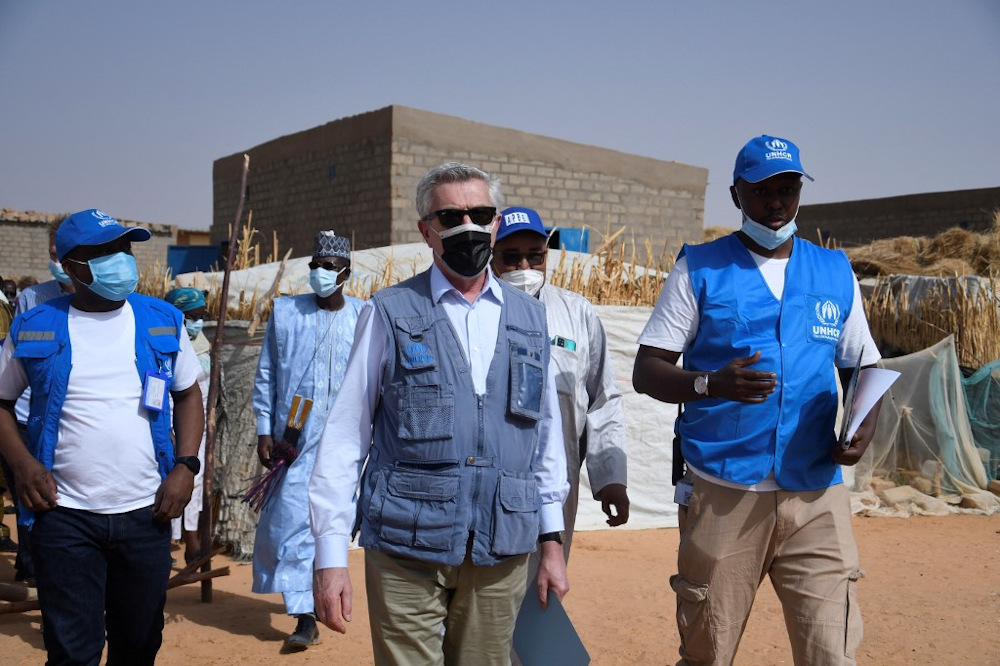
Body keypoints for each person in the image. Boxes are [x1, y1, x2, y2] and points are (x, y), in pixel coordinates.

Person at [632, 135, 883, 666]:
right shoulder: (700, 268)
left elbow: (864, 365)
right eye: (761, 190)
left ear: (800, 191)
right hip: (726, 493)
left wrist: (864, 427)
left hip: (816, 497)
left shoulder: (834, 271)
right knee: (709, 651)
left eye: (787, 188)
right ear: (736, 194)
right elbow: (647, 370)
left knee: (832, 653)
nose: (775, 202)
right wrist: (709, 384)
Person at [309, 162, 570, 665]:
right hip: (407, 547)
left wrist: (551, 543)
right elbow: (346, 436)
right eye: (450, 216)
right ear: (426, 230)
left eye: (480, 213)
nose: (467, 226)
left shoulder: (531, 317)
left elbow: (544, 441)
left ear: (496, 223)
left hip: (502, 547)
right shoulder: (388, 311)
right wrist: (329, 556)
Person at [0, 208, 205, 665]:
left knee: (138, 646)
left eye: (125, 248)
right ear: (72, 267)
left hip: (146, 513)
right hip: (64, 516)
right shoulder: (35, 324)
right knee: (73, 652)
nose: (122, 260)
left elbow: (189, 395)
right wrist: (22, 463)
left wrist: (186, 466)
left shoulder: (162, 319)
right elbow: (1, 402)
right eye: (106, 251)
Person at [490, 206, 629, 592]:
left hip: (557, 485)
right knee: (487, 598)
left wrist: (611, 477)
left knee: (543, 592)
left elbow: (602, 399)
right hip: (489, 480)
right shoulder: (476, 313)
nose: (524, 265)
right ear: (490, 256)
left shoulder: (576, 314)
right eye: (510, 256)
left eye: (535, 255)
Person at [251, 230, 364, 651]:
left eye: (329, 268)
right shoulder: (285, 313)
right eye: (315, 266)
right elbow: (266, 375)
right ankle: (305, 616)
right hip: (294, 440)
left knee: (330, 525)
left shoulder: (364, 316)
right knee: (291, 524)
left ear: (345, 273)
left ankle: (324, 601)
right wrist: (265, 428)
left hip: (346, 441)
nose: (319, 273)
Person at [0, 221, 76, 586]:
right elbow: (18, 367)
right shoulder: (33, 300)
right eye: (52, 254)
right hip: (31, 416)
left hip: (72, 423)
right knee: (32, 495)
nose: (56, 260)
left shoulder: (111, 304)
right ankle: (34, 568)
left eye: (61, 254)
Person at [163, 287, 211, 566]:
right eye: (193, 316)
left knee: (193, 478)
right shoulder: (165, 342)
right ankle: (168, 540)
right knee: (168, 480)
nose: (198, 322)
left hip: (198, 428)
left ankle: (191, 538)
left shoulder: (203, 346)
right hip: (168, 425)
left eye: (202, 316)